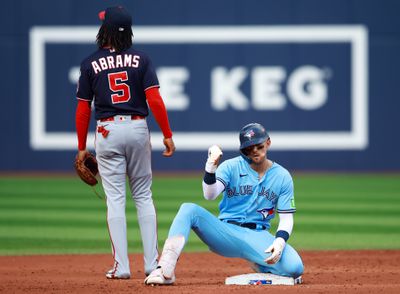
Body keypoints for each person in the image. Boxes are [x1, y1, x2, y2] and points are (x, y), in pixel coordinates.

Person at [75, 6, 175, 279]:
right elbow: (154, 99)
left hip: (107, 131)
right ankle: (152, 264)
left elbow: (84, 109)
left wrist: (82, 146)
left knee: (115, 200)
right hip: (137, 127)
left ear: (104, 30)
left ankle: (121, 267)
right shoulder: (141, 59)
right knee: (143, 195)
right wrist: (167, 133)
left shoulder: (89, 63)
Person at [144, 123, 303, 285]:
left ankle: (261, 264)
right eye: (249, 147)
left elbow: (286, 218)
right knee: (189, 209)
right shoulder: (231, 166)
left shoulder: (283, 176)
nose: (254, 150)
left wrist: (280, 241)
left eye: (258, 145)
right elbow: (210, 194)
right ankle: (164, 269)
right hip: (226, 233)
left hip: (258, 236)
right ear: (243, 150)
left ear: (268, 142)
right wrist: (211, 167)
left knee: (295, 268)